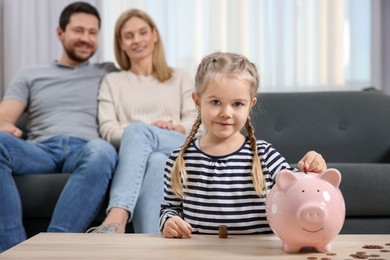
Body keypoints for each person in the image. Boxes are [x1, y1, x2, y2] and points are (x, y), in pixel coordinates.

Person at [159, 52, 327, 238]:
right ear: (197, 102)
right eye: (216, 102)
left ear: (250, 106)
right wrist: (169, 221)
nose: (226, 113)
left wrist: (312, 168)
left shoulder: (264, 155)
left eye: (237, 104)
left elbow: (298, 191)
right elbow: (170, 208)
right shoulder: (178, 160)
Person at [0, 2, 118, 252]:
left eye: (92, 32)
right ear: (60, 32)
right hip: (40, 150)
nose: (86, 38)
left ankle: (50, 250)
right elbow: (4, 119)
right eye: (78, 30)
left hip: (86, 149)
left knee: (103, 150)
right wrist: (8, 127)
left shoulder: (108, 73)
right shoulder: (30, 74)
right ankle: (12, 251)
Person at [87, 9, 197, 234]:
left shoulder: (180, 77)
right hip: (144, 155)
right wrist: (143, 132)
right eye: (129, 36)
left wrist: (175, 127)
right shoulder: (113, 81)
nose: (137, 40)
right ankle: (153, 247)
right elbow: (108, 129)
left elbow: (197, 122)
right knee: (156, 160)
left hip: (178, 146)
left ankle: (117, 217)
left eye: (142, 33)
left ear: (154, 35)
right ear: (121, 43)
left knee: (139, 132)